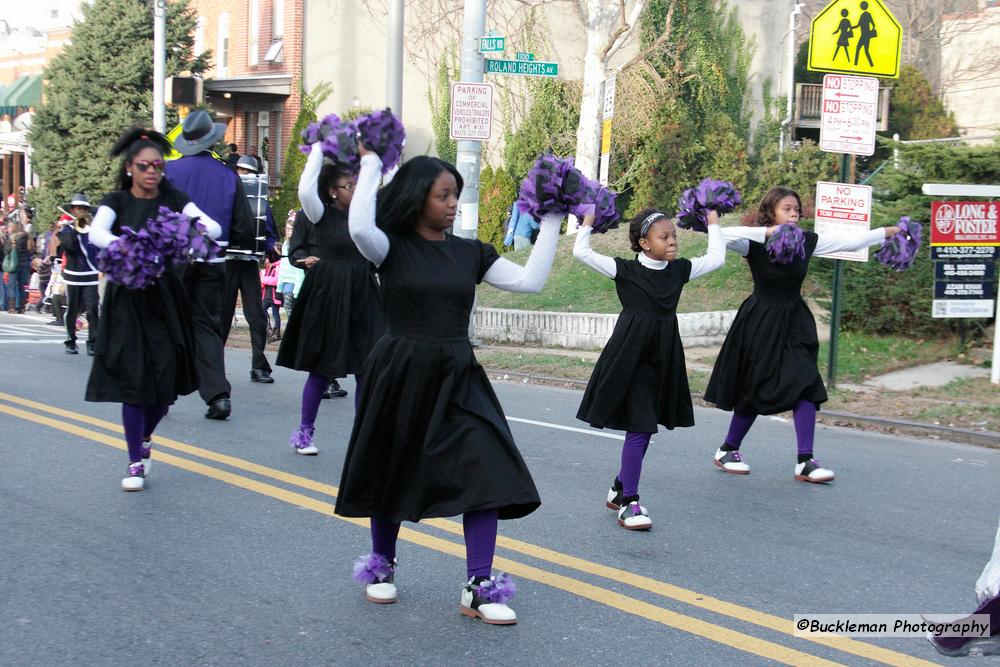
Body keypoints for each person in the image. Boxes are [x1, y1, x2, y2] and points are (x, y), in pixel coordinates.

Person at [336, 147, 561, 625]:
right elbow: (358, 227)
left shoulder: (469, 252)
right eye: (444, 195)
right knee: (391, 465)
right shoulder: (388, 246)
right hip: (400, 367)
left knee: (486, 468)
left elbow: (530, 281)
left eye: (456, 194)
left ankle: (480, 585)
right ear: (418, 198)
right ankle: (382, 565)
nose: (453, 203)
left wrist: (553, 219)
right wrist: (373, 159)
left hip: (458, 371)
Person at [705, 186, 901, 483]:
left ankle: (805, 460)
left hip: (795, 320)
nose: (794, 213)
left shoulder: (807, 242)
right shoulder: (753, 243)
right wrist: (766, 234)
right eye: (787, 208)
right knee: (754, 388)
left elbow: (852, 241)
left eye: (796, 208)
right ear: (771, 212)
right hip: (759, 322)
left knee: (807, 381)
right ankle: (728, 449)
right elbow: (722, 235)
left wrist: (889, 231)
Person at [573, 207, 742, 530]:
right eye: (664, 237)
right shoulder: (624, 270)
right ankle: (629, 502)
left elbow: (717, 258)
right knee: (641, 426)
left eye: (674, 236)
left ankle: (620, 486)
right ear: (644, 243)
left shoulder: (678, 271)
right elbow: (582, 251)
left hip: (663, 356)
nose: (673, 242)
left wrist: (714, 222)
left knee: (644, 425)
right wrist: (588, 222)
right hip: (629, 355)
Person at [86, 128, 221, 491]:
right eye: (144, 166)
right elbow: (96, 233)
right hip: (127, 300)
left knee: (163, 390)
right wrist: (131, 247)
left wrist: (190, 230)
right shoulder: (115, 200)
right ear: (130, 167)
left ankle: (145, 435)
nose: (151, 172)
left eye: (158, 166)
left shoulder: (173, 197)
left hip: (163, 298)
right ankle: (134, 461)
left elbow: (211, 225)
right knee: (134, 383)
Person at [276, 142, 385, 455]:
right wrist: (319, 149)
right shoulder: (319, 214)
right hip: (331, 291)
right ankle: (305, 433)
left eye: (356, 184)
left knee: (368, 366)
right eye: (347, 185)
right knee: (323, 368)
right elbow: (306, 191)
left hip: (363, 291)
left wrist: (373, 161)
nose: (354, 189)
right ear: (332, 190)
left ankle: (363, 437)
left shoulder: (364, 216)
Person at [165, 110, 256, 419]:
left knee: (166, 323)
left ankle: (160, 394)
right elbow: (244, 224)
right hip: (215, 259)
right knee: (207, 327)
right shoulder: (228, 175)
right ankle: (218, 396)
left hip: (177, 259)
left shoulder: (169, 171)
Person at [217, 153, 280, 384]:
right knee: (222, 316)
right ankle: (214, 366)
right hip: (228, 263)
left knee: (257, 316)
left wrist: (270, 246)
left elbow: (269, 231)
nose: (246, 177)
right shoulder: (225, 196)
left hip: (249, 265)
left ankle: (259, 366)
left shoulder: (261, 201)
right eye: (242, 172)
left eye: (250, 173)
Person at [57, 195, 101, 355]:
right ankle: (70, 341)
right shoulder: (67, 230)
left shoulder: (95, 230)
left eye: (84, 208)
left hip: (91, 274)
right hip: (73, 275)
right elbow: (67, 247)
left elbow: (100, 249)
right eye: (78, 208)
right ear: (73, 210)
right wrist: (76, 228)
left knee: (93, 309)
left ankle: (93, 342)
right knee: (72, 309)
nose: (81, 211)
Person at [3, 220, 35, 313]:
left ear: (14, 228)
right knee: (22, 286)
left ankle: (12, 307)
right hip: (25, 264)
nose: (8, 229)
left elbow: (6, 251)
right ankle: (22, 307)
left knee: (11, 286)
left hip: (14, 264)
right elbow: (31, 251)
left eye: (10, 227)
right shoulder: (27, 237)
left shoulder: (12, 238)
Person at [277, 210, 305, 317]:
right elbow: (283, 266)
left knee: (292, 309)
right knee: (288, 307)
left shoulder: (297, 245)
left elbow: (298, 268)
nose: (288, 231)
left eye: (290, 229)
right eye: (287, 228)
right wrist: (279, 286)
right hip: (286, 281)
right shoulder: (285, 245)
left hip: (295, 281)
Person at [260, 256, 282, 341]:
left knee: (275, 313)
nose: (266, 261)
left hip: (274, 294)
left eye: (267, 259)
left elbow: (276, 280)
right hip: (266, 295)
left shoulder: (278, 266)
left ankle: (277, 333)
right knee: (262, 309)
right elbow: (262, 281)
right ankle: (268, 328)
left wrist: (265, 280)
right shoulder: (267, 268)